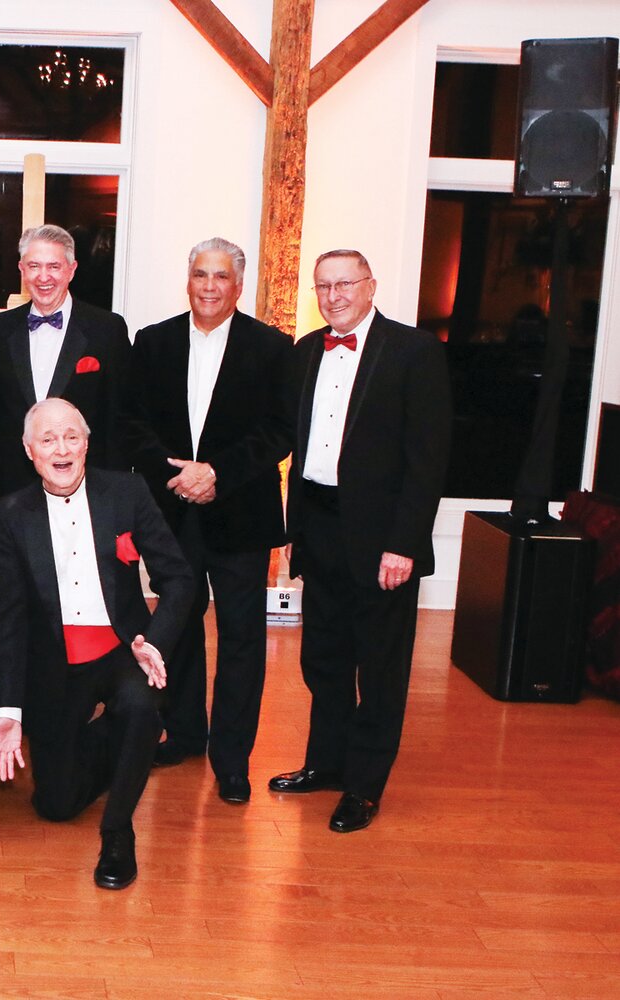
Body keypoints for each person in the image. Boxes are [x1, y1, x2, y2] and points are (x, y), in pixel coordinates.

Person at [270, 249, 451, 833]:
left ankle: (365, 785)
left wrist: (403, 543)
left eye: (345, 283)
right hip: (320, 525)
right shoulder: (305, 353)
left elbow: (428, 460)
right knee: (323, 657)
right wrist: (295, 533)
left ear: (371, 285)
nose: (334, 296)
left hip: (382, 535)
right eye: (323, 287)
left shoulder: (413, 351)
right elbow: (293, 447)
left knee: (379, 665)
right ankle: (325, 763)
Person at [0, 399, 192, 889]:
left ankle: (118, 832)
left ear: (87, 443)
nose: (61, 449)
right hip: (53, 661)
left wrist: (153, 642)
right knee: (55, 805)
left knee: (140, 702)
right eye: (48, 440)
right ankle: (124, 744)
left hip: (123, 647)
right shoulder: (10, 514)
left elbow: (179, 579)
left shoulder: (127, 491)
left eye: (72, 436)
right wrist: (10, 709)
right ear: (30, 451)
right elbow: (8, 620)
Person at [121, 238, 294, 803]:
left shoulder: (272, 348)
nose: (210, 286)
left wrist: (216, 473)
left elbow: (277, 432)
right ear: (188, 280)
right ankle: (186, 732)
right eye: (201, 274)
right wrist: (177, 475)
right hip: (171, 509)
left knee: (243, 636)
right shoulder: (152, 342)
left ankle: (232, 757)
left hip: (240, 512)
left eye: (222, 276)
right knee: (178, 625)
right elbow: (132, 422)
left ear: (238, 286)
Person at [0, 224, 130, 496]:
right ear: (22, 269)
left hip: (86, 487)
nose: (43, 277)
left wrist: (114, 493)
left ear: (72, 270)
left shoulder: (107, 330)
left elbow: (119, 419)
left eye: (54, 266)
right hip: (11, 488)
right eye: (34, 266)